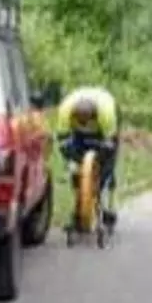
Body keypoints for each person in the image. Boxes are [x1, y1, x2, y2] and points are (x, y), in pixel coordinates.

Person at [55, 86, 121, 230]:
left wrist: (101, 164)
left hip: (104, 129)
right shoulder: (65, 111)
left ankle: (108, 208)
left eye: (87, 121)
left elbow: (110, 142)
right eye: (81, 121)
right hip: (77, 134)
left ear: (94, 115)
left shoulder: (107, 113)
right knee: (75, 171)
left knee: (107, 168)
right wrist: (73, 162)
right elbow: (62, 141)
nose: (85, 124)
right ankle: (78, 209)